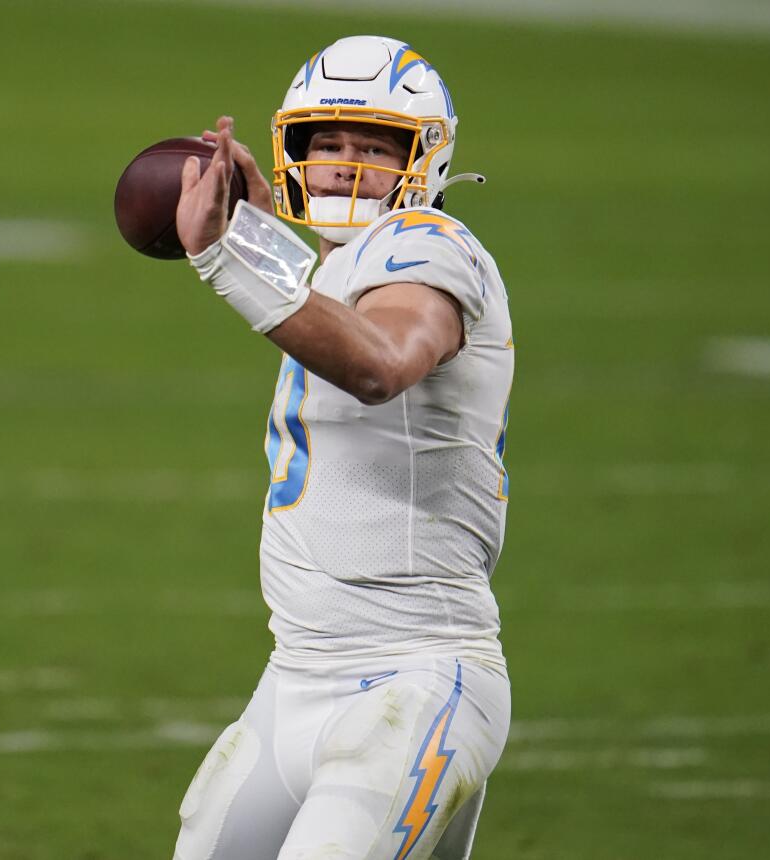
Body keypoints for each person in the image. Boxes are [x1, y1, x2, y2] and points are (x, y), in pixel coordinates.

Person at [171, 35, 514, 860]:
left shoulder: (432, 245)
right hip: (293, 680)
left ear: (423, 160)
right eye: (328, 143)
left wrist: (222, 255)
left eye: (374, 146)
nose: (344, 165)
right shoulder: (341, 266)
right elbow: (337, 304)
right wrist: (254, 241)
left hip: (414, 676)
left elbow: (380, 362)